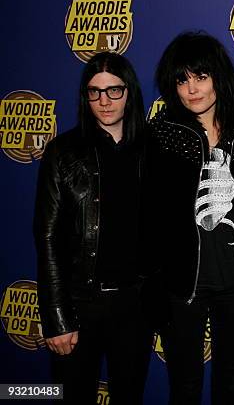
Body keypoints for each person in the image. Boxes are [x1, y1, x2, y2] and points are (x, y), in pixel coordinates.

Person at [145, 31, 234, 405]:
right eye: (182, 79)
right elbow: (148, 213)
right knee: (185, 385)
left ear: (218, 78)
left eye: (200, 77)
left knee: (230, 385)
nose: (191, 89)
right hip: (182, 283)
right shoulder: (160, 133)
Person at [34, 52, 150, 404]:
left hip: (135, 307)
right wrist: (57, 317)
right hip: (80, 305)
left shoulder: (152, 149)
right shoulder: (62, 151)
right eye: (95, 92)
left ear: (128, 92)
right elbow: (48, 237)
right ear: (85, 97)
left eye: (114, 90)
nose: (104, 101)